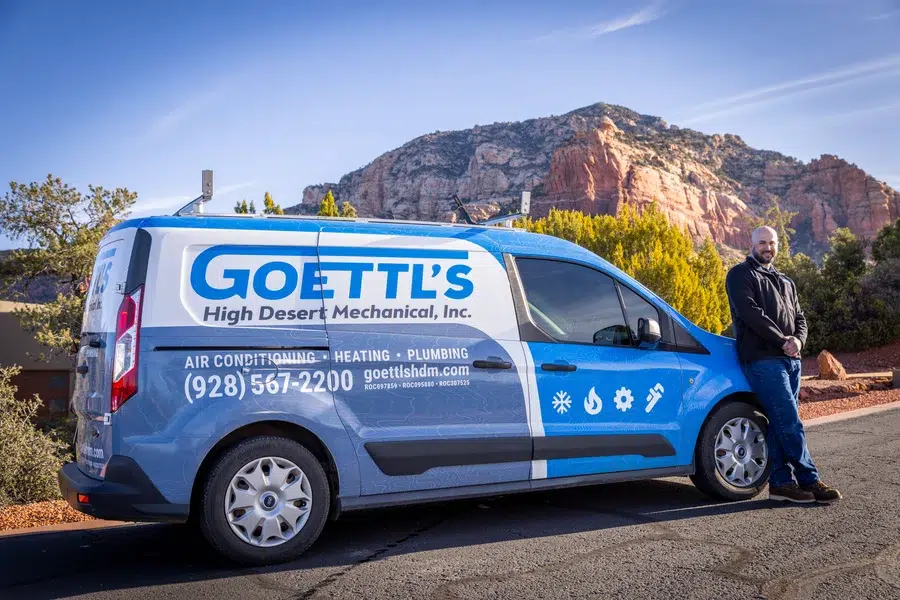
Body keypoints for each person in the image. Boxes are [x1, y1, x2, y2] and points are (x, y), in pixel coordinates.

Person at [725, 226, 842, 504]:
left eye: (772, 243)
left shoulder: (786, 282)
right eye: (762, 242)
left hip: (791, 360)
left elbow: (800, 318)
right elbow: (752, 314)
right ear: (751, 244)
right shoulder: (740, 275)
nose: (767, 247)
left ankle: (780, 483)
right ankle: (809, 479)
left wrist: (798, 342)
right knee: (789, 420)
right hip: (763, 360)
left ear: (778, 245)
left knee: (780, 422)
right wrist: (782, 341)